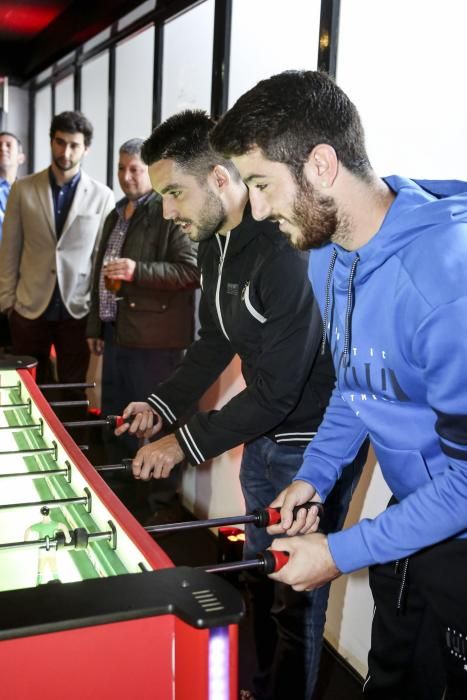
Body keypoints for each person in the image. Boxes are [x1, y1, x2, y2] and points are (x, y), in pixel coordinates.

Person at [210, 69, 467, 699]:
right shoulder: (330, 252)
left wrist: (340, 551)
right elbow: (358, 385)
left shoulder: (444, 283)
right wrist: (313, 478)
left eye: (264, 185)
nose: (260, 209)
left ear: (322, 165)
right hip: (411, 522)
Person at [115, 109, 367, 700]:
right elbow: (214, 342)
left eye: (175, 192)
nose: (168, 211)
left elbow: (280, 389)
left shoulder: (283, 250)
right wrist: (160, 404)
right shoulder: (214, 243)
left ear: (221, 179)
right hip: (264, 433)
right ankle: (259, 689)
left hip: (312, 445)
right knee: (260, 580)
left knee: (294, 602)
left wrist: (182, 442)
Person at [86, 137, 199, 519]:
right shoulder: (116, 213)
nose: (126, 176)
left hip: (156, 344)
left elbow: (191, 270)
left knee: (155, 425)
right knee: (118, 422)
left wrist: (137, 270)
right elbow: (99, 274)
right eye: (121, 168)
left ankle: (158, 514)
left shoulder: (168, 210)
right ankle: (120, 506)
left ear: (150, 172)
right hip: (118, 334)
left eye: (134, 168)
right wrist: (95, 325)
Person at [0, 111, 114, 391]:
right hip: (28, 309)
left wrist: (98, 316)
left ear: (85, 148)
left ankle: (68, 437)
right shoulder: (23, 189)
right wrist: (8, 303)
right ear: (51, 142)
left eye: (74, 145)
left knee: (73, 388)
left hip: (77, 311)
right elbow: (9, 249)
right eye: (60, 142)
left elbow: (101, 260)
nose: (66, 152)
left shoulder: (103, 195)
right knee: (27, 388)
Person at [0, 131, 25, 349]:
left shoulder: (29, 193)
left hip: (22, 281)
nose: (2, 148)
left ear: (21, 157)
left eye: (8, 144)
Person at [24, 506, 69, 586]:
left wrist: (25, 541)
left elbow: (28, 530)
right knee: (53, 569)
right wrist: (67, 536)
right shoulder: (53, 524)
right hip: (50, 549)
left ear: (41, 513)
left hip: (43, 550)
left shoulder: (39, 526)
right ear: (50, 512)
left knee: (41, 570)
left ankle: (38, 587)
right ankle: (59, 586)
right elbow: (63, 526)